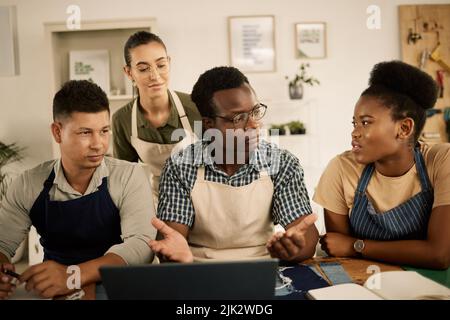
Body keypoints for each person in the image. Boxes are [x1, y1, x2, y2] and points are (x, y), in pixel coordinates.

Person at [0, 80, 156, 299]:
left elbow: (141, 245)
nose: (98, 143)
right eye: (85, 133)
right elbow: (2, 243)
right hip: (55, 291)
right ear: (57, 132)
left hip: (115, 285)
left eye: (104, 131)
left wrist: (74, 275)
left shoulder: (129, 176)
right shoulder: (28, 184)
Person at [148, 66, 319, 262]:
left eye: (255, 111)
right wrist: (174, 254)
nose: (254, 124)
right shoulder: (180, 167)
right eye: (239, 118)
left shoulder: (282, 164)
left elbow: (305, 237)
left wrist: (294, 248)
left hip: (263, 270)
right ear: (209, 124)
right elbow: (172, 242)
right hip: (199, 271)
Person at [314, 61, 450, 269]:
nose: (355, 132)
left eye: (366, 122)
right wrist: (350, 248)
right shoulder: (341, 169)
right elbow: (339, 254)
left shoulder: (442, 160)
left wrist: (356, 246)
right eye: (355, 123)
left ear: (404, 128)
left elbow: (439, 255)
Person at [112, 31, 202, 208]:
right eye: (143, 69)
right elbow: (125, 180)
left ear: (169, 62)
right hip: (160, 205)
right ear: (129, 72)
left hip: (203, 201)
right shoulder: (122, 120)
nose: (155, 75)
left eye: (161, 65)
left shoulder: (196, 107)